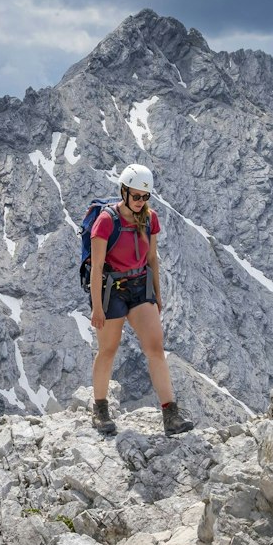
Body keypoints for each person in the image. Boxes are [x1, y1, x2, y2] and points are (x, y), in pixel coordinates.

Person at [89, 163, 192, 436]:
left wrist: (157, 295)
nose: (140, 202)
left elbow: (151, 259)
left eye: (145, 197)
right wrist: (97, 307)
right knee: (108, 350)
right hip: (111, 289)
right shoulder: (106, 221)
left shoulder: (150, 218)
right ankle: (100, 410)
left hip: (139, 286)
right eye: (136, 196)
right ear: (123, 192)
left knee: (155, 347)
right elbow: (97, 267)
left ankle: (171, 415)